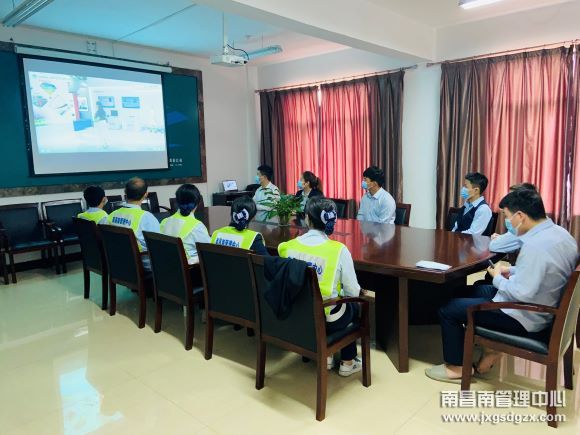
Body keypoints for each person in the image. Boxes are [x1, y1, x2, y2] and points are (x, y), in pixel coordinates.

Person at [425, 189, 577, 383]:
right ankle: (487, 348)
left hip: (524, 314)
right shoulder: (560, 234)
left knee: (449, 310)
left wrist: (497, 277)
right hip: (542, 302)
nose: (507, 221)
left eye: (507, 216)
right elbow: (546, 270)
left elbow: (522, 293)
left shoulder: (534, 246)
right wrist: (511, 270)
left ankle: (456, 367)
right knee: (463, 291)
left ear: (520, 216)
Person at [278, 197, 364, 376]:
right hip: (327, 317)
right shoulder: (339, 250)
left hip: (297, 313)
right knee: (351, 305)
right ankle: (348, 362)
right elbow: (353, 291)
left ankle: (327, 356)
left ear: (307, 218)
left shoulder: (286, 247)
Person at [107, 177, 160, 254]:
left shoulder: (112, 215)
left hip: (116, 257)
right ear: (145, 194)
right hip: (142, 259)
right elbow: (157, 245)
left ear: (125, 193)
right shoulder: (147, 218)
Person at [160, 184, 210, 264]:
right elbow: (209, 252)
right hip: (188, 268)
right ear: (197, 203)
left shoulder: (164, 222)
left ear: (177, 202)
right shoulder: (197, 226)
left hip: (166, 265)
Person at [489, 182, 537, 253]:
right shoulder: (534, 217)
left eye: (511, 198)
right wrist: (501, 238)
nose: (508, 200)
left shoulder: (523, 225)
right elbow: (512, 240)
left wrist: (497, 240)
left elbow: (494, 246)